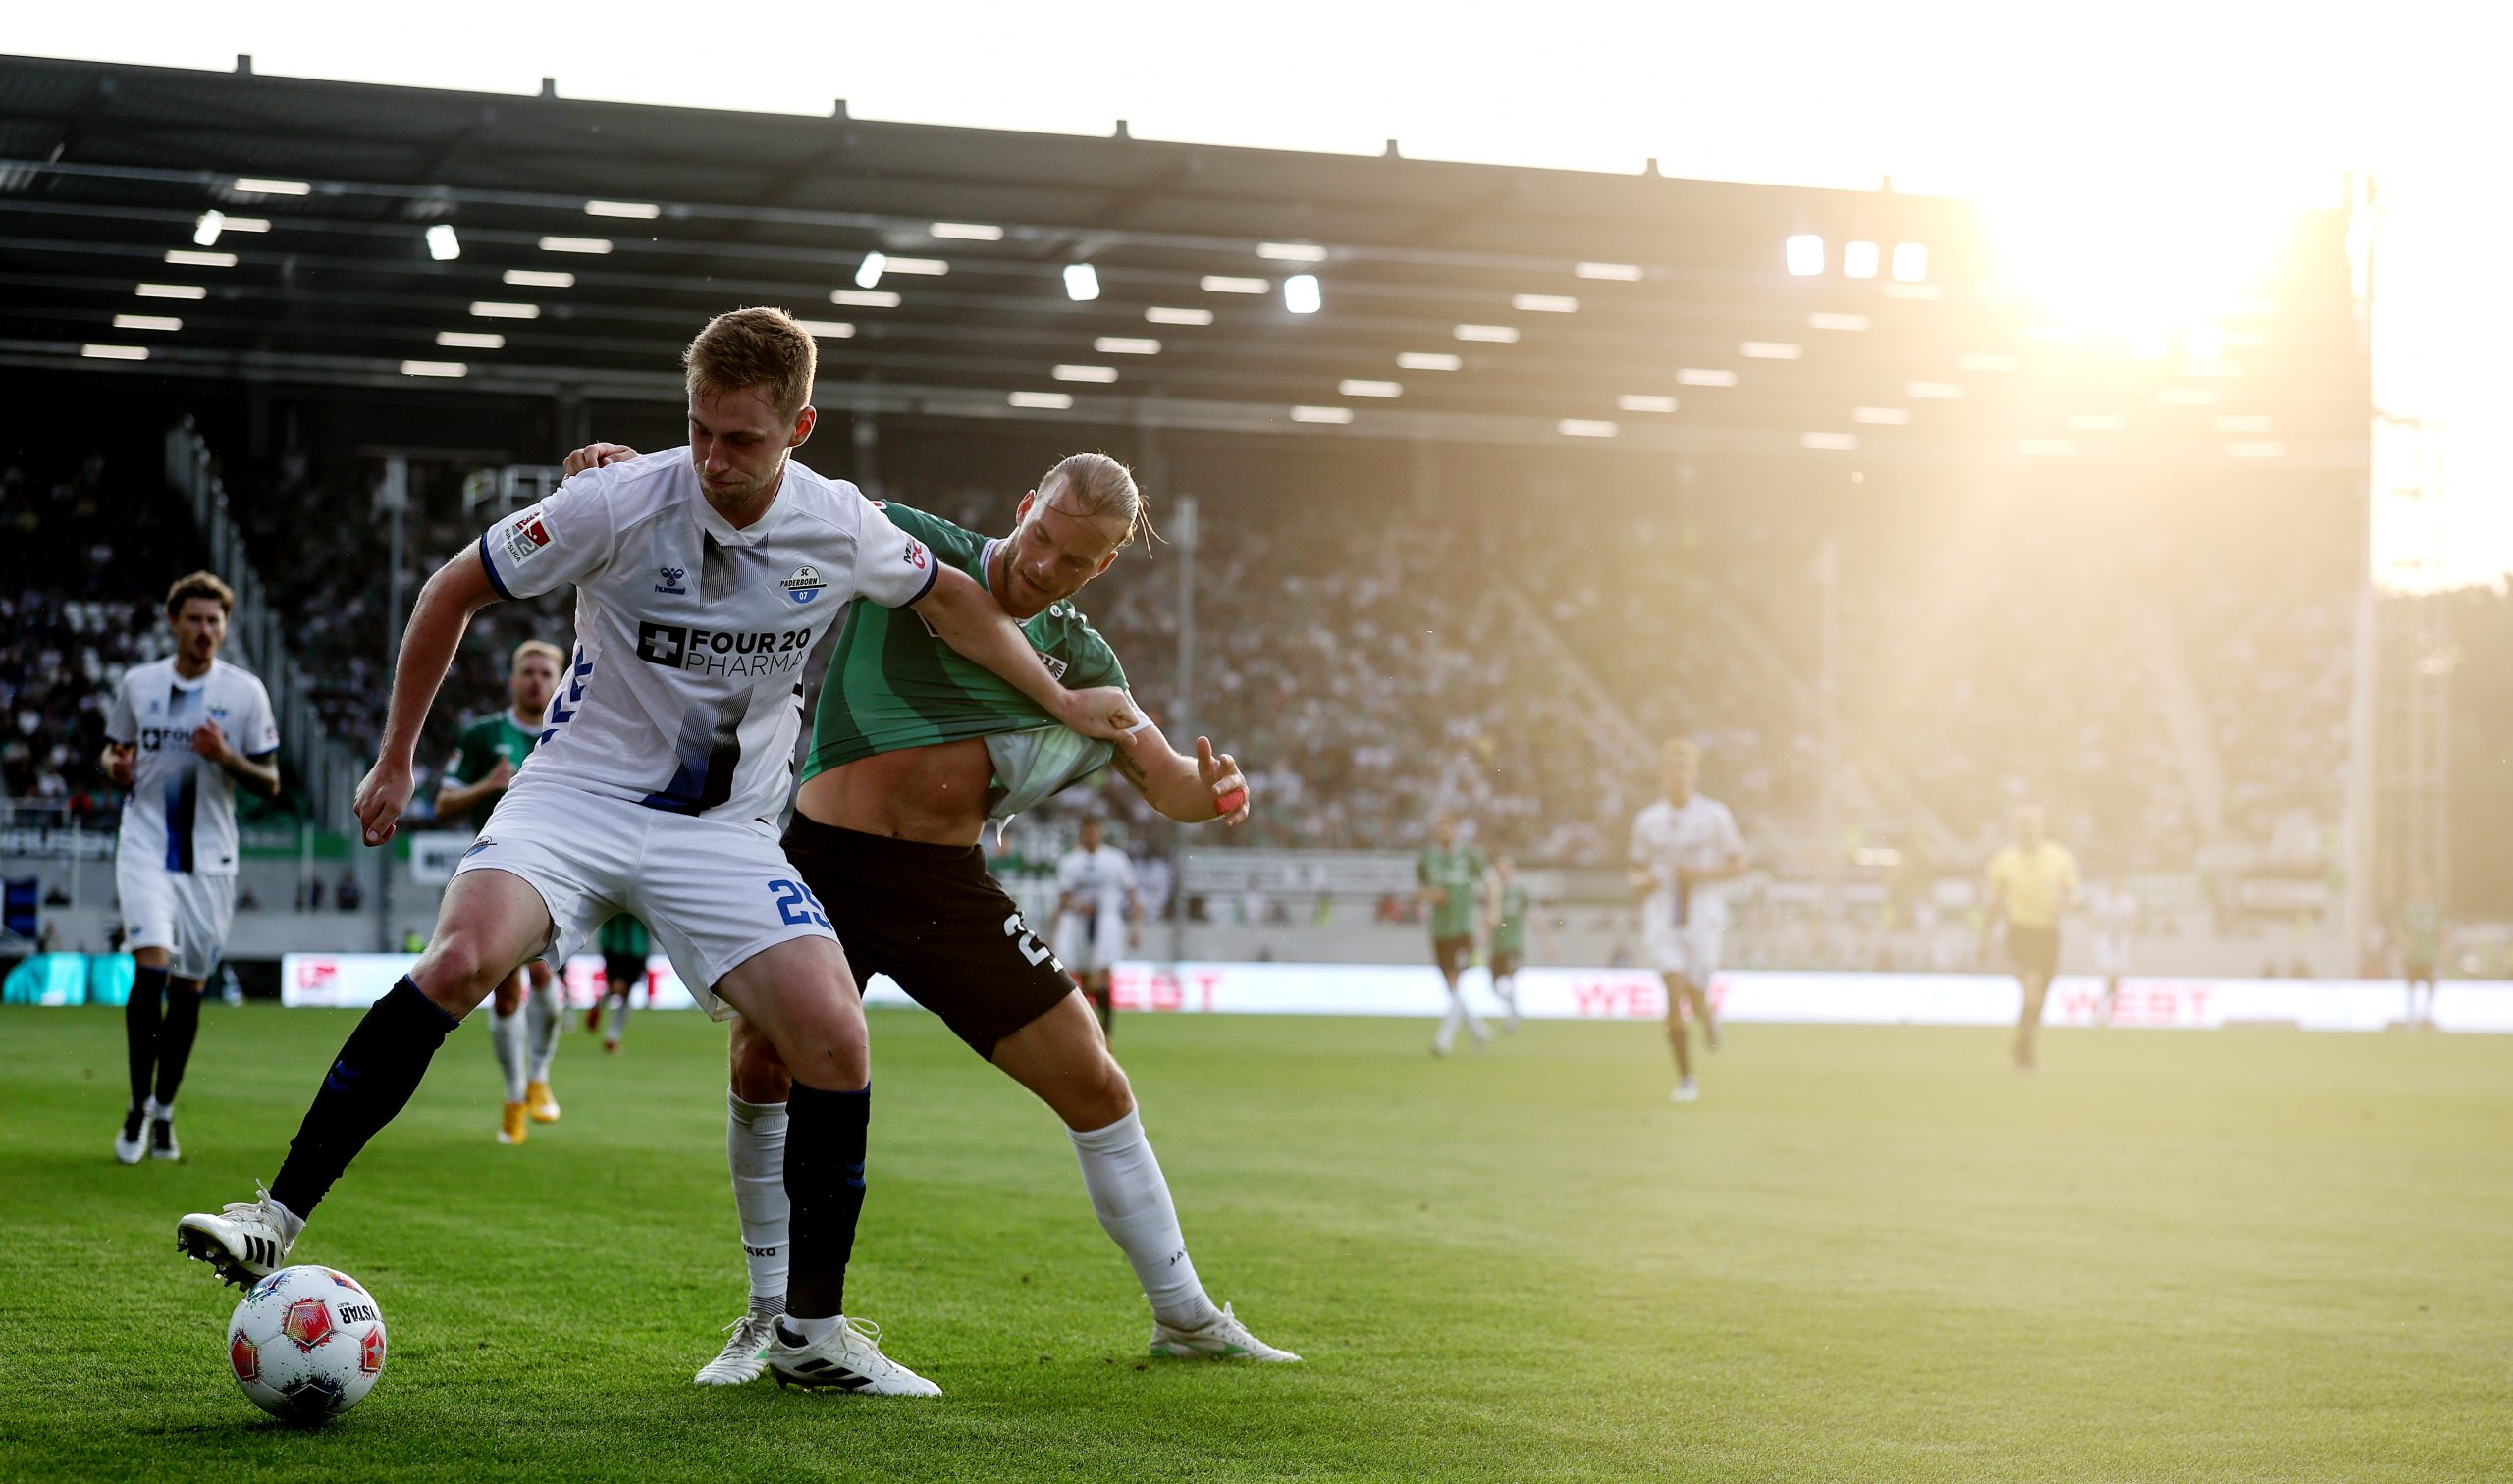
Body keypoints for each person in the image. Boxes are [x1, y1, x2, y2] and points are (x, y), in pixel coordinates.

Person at [176, 307, 1139, 1400]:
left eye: (742, 440)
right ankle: (273, 1217)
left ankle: (811, 1334)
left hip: (723, 833)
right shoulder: (615, 497)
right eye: (699, 431)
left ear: (800, 428)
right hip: (576, 798)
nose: (714, 459)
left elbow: (956, 600)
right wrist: (395, 758)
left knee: (834, 1038)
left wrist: (1056, 696)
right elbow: (453, 588)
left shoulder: (842, 524)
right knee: (460, 961)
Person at [561, 437, 1296, 1383]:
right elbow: (767, 510)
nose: (1044, 565)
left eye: (1075, 560)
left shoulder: (1080, 653)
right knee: (762, 1060)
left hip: (946, 893)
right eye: (1040, 536)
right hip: (824, 863)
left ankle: (1185, 1315)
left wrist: (1218, 792)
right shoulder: (907, 544)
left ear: (1106, 563)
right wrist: (639, 480)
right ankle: (767, 1316)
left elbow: (1168, 784)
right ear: (1026, 503)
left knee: (1097, 1083)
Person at [102, 571, 281, 1163]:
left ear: (225, 627)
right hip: (146, 844)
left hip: (211, 857)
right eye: (195, 619)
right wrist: (116, 768)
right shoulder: (139, 684)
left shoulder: (245, 693)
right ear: (174, 622)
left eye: (215, 621)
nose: (205, 630)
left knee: (188, 988)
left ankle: (164, 1111)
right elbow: (115, 749)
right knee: (150, 966)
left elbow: (271, 780)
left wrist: (224, 756)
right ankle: (134, 1107)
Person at [435, 639, 568, 1141]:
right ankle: (516, 1097)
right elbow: (444, 803)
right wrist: (487, 786)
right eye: (528, 672)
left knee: (549, 994)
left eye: (545, 673)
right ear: (513, 681)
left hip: (563, 874)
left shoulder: (575, 731)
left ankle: (538, 1077)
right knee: (508, 995)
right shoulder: (483, 735)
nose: (536, 680)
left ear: (560, 680)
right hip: (499, 874)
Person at [1629, 738, 1746, 1103]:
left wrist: (1701, 874)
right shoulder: (1648, 821)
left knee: (1694, 994)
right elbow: (1634, 871)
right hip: (1663, 915)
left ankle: (1706, 1014)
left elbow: (1738, 863)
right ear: (1664, 775)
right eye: (1673, 769)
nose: (1679, 777)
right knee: (1673, 990)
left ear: (1694, 774)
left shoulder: (1715, 816)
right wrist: (1645, 881)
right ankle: (1686, 1080)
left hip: (1703, 915)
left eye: (1686, 769)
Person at [1980, 804, 2079, 1072]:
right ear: (2016, 828)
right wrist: (1984, 937)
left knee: (2039, 998)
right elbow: (1994, 904)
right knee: (2032, 986)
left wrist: (2063, 906)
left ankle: (2023, 1044)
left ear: (2041, 827)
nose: (2027, 829)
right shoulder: (2004, 861)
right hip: (2021, 932)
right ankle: (2025, 1051)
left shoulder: (2058, 856)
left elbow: (2072, 892)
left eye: (2032, 823)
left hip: (2048, 934)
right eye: (2023, 823)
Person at [1053, 816, 1142, 1037]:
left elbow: (1132, 895)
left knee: (1102, 974)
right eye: (1088, 831)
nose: (1091, 835)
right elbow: (1063, 898)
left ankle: (1105, 1032)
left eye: (1095, 831)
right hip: (1078, 925)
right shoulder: (1071, 861)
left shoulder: (1116, 859)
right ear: (1082, 833)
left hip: (1107, 923)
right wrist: (1062, 918)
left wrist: (1135, 927)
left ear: (1101, 833)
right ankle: (1092, 1030)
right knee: (1084, 979)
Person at [1417, 812, 1489, 1056]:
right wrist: (1432, 895)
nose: (1443, 833)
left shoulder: (1470, 856)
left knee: (1456, 982)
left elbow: (1492, 883)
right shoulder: (1427, 858)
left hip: (1462, 929)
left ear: (1455, 830)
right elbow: (1420, 892)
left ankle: (1443, 1041)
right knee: (1451, 988)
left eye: (1447, 828)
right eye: (1439, 828)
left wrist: (1491, 913)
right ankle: (1479, 1030)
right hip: (1440, 931)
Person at [1481, 850, 1553, 1034]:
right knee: (1494, 988)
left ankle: (1513, 1017)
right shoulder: (1492, 892)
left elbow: (1534, 917)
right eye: (1498, 866)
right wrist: (1483, 939)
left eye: (1505, 865)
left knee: (1509, 980)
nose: (1501, 869)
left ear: (1511, 869)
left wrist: (1547, 942)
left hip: (1513, 945)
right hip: (1496, 946)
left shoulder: (1520, 892)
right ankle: (1514, 1010)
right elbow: (1487, 919)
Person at [590, 913, 652, 1052]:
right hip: (615, 946)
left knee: (626, 992)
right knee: (618, 988)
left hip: (637, 948)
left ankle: (612, 1037)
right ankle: (611, 1034)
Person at [2087, 875, 2136, 1026]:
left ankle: (2105, 1011)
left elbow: (2133, 921)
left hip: (2121, 942)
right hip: (2104, 941)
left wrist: (2121, 927)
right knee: (2108, 976)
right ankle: (2102, 1011)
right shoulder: (2101, 900)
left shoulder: (2127, 901)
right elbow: (2092, 920)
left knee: (2115, 978)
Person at [2398, 879, 2442, 1030]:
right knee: (2411, 985)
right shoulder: (2407, 908)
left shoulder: (2433, 908)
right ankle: (2411, 1015)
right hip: (2412, 956)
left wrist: (2441, 951)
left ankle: (2426, 1014)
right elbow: (2400, 929)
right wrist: (2405, 942)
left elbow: (2440, 930)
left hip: (2428, 954)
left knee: (2431, 984)